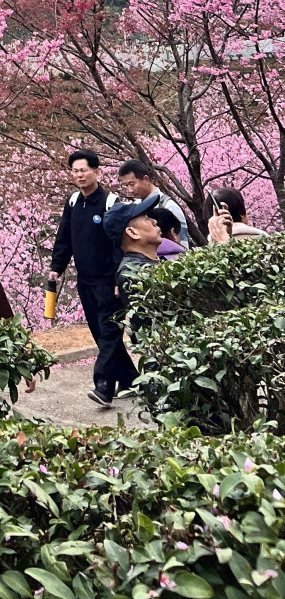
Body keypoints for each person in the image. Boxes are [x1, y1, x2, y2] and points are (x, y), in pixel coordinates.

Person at [48, 147, 131, 409]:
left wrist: (118, 279)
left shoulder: (110, 203)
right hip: (85, 281)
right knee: (100, 332)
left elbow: (119, 244)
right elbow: (64, 237)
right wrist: (56, 266)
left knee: (109, 331)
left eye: (84, 170)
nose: (80, 175)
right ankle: (131, 379)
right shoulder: (73, 202)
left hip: (108, 282)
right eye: (75, 171)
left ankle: (103, 386)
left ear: (96, 171)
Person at [117, 159, 190, 248]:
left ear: (146, 179)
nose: (129, 190)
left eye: (132, 184)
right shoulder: (135, 207)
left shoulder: (168, 206)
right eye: (126, 186)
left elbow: (182, 246)